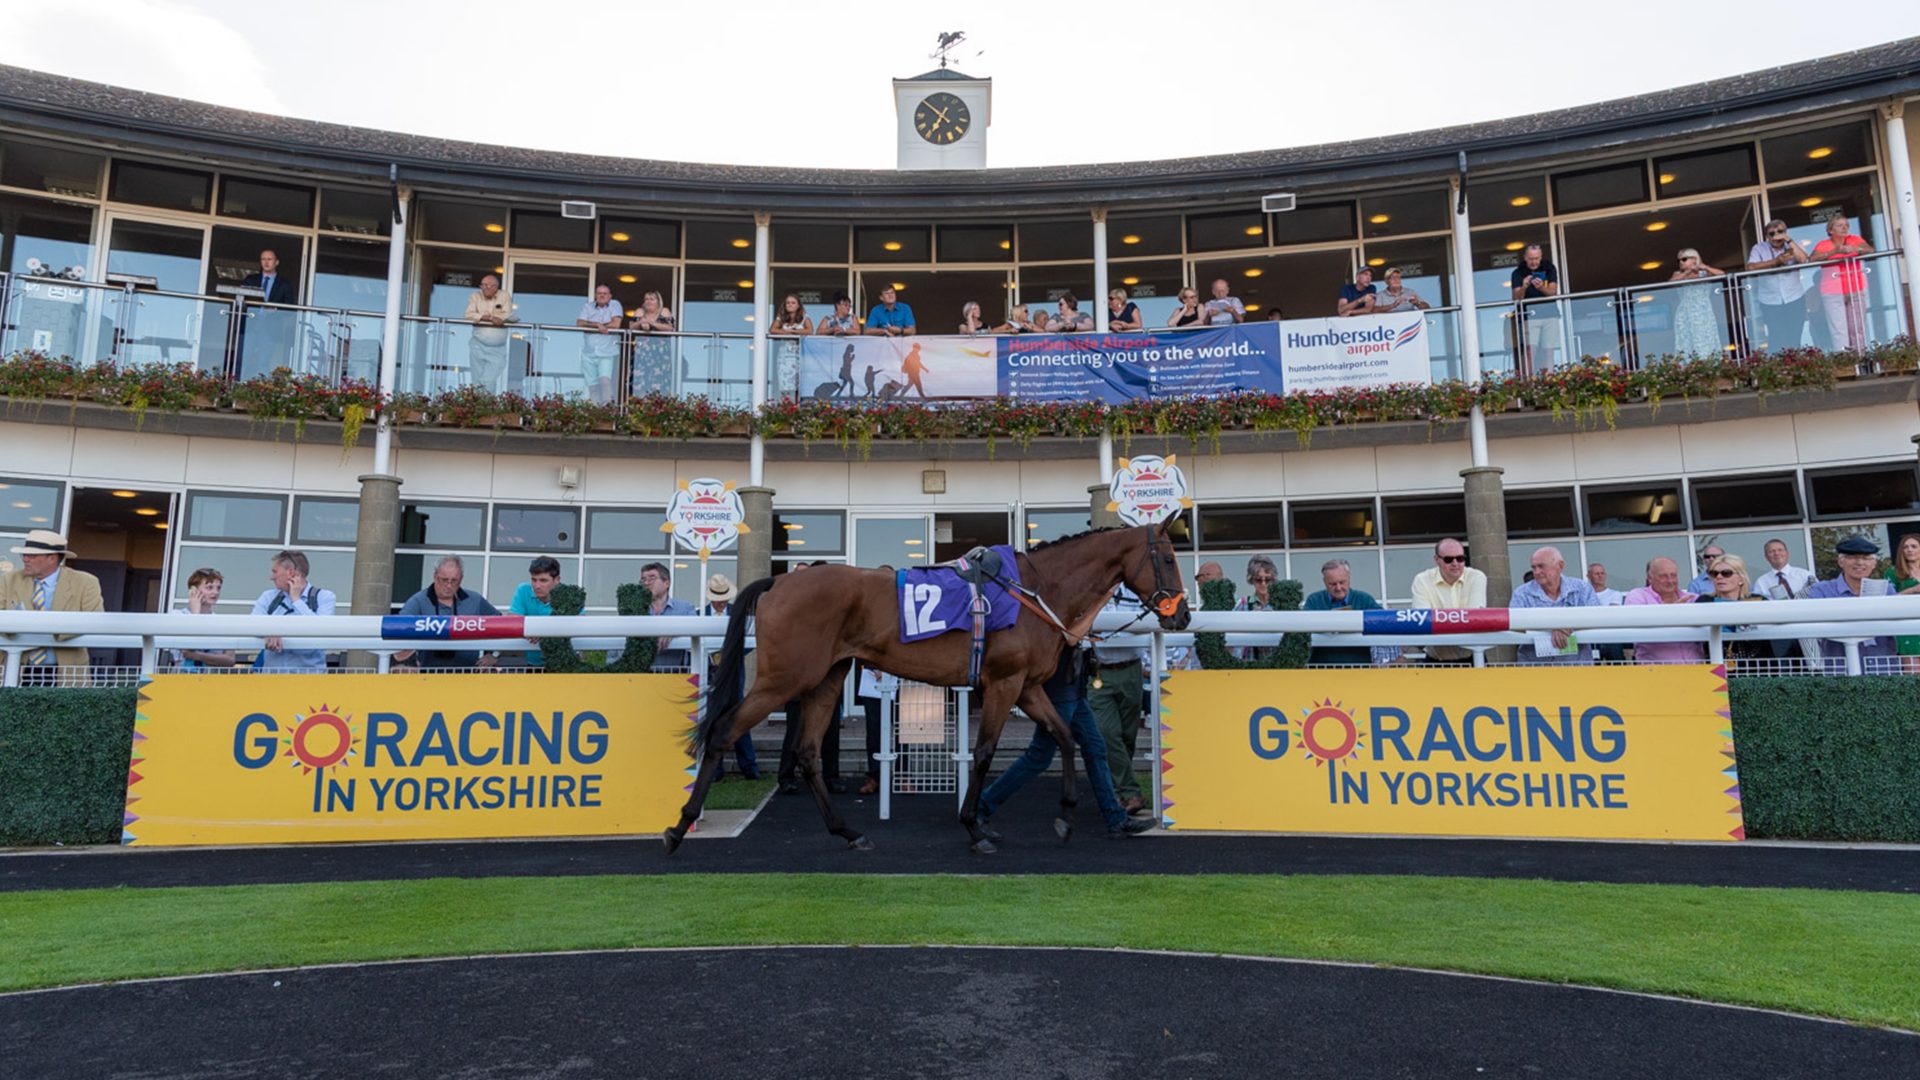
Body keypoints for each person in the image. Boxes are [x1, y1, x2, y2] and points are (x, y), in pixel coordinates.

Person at [978, 645, 1155, 839]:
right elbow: (1071, 633)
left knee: (1095, 749)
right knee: (1039, 757)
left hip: (1073, 689)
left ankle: (1115, 819)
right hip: (1059, 690)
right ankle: (982, 806)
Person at [1, 529, 105, 685]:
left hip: (66, 670)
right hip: (15, 666)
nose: (25, 559)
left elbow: (94, 620)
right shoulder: (8, 580)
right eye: (24, 555)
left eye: (32, 555)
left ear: (52, 558)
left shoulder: (86, 582)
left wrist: (40, 630)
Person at [1089, 586, 1151, 818]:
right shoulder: (1093, 589)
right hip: (1099, 672)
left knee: (1127, 735)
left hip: (1132, 669)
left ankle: (1117, 793)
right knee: (1107, 732)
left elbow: (1150, 621)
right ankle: (1131, 791)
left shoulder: (1136, 591)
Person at [392, 555, 502, 671]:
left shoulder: (475, 600)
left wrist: (494, 655)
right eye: (444, 580)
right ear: (435, 576)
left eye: (454, 581)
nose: (449, 586)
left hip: (469, 676)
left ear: (461, 579)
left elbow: (502, 625)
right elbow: (399, 632)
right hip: (429, 675)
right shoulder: (418, 601)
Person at [1803, 536, 1895, 669]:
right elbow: (1812, 622)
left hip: (1883, 668)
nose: (1859, 562)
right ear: (1840, 562)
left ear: (1874, 564)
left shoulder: (1886, 589)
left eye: (1866, 558)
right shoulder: (1822, 590)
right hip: (1840, 670)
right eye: (1852, 557)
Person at [702, 574, 759, 781]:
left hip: (733, 671)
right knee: (713, 718)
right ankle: (716, 770)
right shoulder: (701, 614)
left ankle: (749, 766)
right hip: (709, 671)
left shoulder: (739, 612)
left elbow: (750, 642)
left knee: (738, 716)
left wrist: (729, 654)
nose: (719, 601)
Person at [248, 549, 336, 673]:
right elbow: (251, 624)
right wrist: (269, 632)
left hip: (310, 682)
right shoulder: (268, 596)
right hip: (272, 682)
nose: (271, 577)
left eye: (275, 572)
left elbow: (320, 630)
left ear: (290, 573)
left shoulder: (325, 597)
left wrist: (296, 600)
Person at [1509, 545, 1597, 664]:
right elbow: (1515, 625)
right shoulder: (1522, 593)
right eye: (1533, 567)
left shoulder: (1582, 588)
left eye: (1541, 566)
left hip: (1577, 665)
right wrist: (1554, 627)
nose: (1536, 572)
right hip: (1534, 668)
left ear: (1560, 566)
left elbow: (1595, 617)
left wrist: (1568, 626)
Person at [1408, 538, 1486, 664]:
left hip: (1473, 659)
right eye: (1448, 559)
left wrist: (1439, 622)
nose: (1455, 563)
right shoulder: (1422, 580)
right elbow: (1422, 622)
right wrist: (1460, 621)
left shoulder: (1477, 577)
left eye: (1460, 558)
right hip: (1435, 661)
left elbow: (1474, 620)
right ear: (1437, 560)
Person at [1301, 558, 1387, 666]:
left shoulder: (1364, 599)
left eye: (1342, 582)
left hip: (1359, 668)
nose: (1338, 588)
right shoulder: (1313, 600)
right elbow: (1303, 631)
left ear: (1349, 578)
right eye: (1332, 584)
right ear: (1324, 582)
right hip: (1321, 669)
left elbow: (1383, 621)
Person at [1809, 214, 1874, 353]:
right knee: (1838, 329)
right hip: (1832, 291)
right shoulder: (1824, 244)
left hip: (1856, 287)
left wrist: (1856, 250)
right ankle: (1845, 362)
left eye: (1846, 225)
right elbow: (1812, 258)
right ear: (1830, 230)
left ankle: (1861, 358)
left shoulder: (1854, 240)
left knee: (1858, 327)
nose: (1845, 227)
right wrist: (1835, 251)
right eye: (1840, 225)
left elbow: (1871, 250)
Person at [1744, 218, 1812, 351]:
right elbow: (1751, 267)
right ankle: (1781, 366)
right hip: (1770, 300)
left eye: (1780, 231)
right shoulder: (1759, 248)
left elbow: (1804, 259)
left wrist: (1788, 240)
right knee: (1777, 336)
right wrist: (1776, 261)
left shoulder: (1793, 245)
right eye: (1772, 233)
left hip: (1795, 297)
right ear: (1766, 236)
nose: (1776, 236)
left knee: (1795, 334)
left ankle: (1795, 364)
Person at [1692, 554, 1771, 663]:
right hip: (1716, 664)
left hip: (1757, 666)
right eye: (1714, 574)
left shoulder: (1758, 601)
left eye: (1726, 573)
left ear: (1741, 578)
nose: (1719, 577)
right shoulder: (1704, 601)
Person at [1624, 556, 1704, 664]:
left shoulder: (1692, 598)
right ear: (1650, 578)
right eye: (1663, 576)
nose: (1670, 581)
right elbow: (1636, 623)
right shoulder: (1638, 595)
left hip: (1698, 669)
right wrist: (1673, 612)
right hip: (1655, 671)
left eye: (1673, 575)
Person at [240, 249, 297, 371]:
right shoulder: (251, 279)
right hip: (250, 324)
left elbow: (291, 307)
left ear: (276, 262)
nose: (266, 262)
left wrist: (276, 309)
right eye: (263, 259)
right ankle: (239, 387)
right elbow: (240, 299)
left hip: (270, 327)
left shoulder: (285, 284)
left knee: (263, 362)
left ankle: (261, 388)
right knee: (243, 359)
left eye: (269, 259)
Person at [1510, 244, 1560, 375]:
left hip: (1550, 314)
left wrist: (1541, 287)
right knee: (1530, 351)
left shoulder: (1549, 268)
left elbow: (1553, 292)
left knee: (1549, 351)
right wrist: (1524, 287)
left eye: (1537, 258)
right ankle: (1529, 383)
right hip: (1529, 315)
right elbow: (1516, 299)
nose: (1534, 262)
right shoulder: (1518, 273)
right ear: (1525, 258)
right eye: (1531, 258)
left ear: (1541, 257)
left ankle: (1550, 380)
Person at [172, 567, 235, 671]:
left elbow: (230, 660)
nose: (215, 592)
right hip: (182, 678)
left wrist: (197, 656)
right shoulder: (177, 615)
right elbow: (187, 648)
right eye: (209, 587)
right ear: (194, 590)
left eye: (218, 588)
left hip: (210, 680)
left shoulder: (221, 622)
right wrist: (195, 613)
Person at [1669, 249, 1726, 359]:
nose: (1680, 262)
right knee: (1686, 339)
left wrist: (1705, 267)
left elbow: (1722, 275)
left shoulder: (1704, 273)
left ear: (1694, 259)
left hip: (1703, 311)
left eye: (1684, 259)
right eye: (1679, 260)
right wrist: (1687, 272)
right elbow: (1671, 283)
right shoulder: (1679, 274)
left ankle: (1708, 364)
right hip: (1685, 312)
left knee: (1705, 337)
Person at [463, 274, 515, 391]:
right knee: (477, 380)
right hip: (478, 344)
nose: (487, 288)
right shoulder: (475, 296)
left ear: (497, 287)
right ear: (481, 286)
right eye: (484, 285)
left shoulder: (504, 295)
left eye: (491, 286)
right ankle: (477, 405)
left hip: (498, 348)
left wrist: (485, 317)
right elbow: (468, 315)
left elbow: (506, 315)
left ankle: (486, 405)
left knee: (489, 380)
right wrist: (488, 318)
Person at [640, 561, 695, 672]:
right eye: (643, 579)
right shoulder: (635, 610)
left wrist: (674, 631)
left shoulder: (685, 608)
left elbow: (697, 631)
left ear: (667, 583)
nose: (646, 583)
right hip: (641, 678)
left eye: (652, 578)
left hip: (677, 677)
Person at [508, 556, 562, 667]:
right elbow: (513, 620)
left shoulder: (570, 595)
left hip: (562, 664)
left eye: (543, 580)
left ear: (557, 580)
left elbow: (576, 626)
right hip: (532, 664)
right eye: (534, 580)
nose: (537, 586)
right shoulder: (523, 590)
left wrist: (540, 631)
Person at [575, 283, 623, 404]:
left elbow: (616, 324)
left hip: (607, 352)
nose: (602, 295)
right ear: (595, 295)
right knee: (593, 386)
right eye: (599, 293)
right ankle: (596, 413)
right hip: (588, 352)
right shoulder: (588, 306)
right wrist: (597, 325)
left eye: (605, 293)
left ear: (610, 295)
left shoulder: (615, 304)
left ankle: (608, 409)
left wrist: (591, 324)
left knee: (605, 381)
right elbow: (579, 323)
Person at [1230, 554, 1282, 659]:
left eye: (1267, 580)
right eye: (1259, 580)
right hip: (1250, 662)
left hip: (1277, 663)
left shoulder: (1281, 603)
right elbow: (1231, 635)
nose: (1263, 584)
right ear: (1252, 580)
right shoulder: (1243, 604)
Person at [629, 290, 678, 396]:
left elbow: (670, 328)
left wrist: (651, 323)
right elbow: (631, 327)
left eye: (652, 299)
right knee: (640, 383)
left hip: (659, 355)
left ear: (658, 301)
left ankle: (657, 409)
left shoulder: (664, 311)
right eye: (646, 299)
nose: (648, 302)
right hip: (642, 354)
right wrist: (641, 322)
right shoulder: (640, 312)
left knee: (659, 384)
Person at [1883, 534, 1920, 665]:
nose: (1909, 550)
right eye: (1905, 547)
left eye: (1913, 546)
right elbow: (1887, 600)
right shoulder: (1893, 572)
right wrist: (1913, 590)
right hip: (1908, 627)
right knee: (1914, 677)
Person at [769, 294, 811, 400]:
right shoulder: (781, 317)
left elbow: (809, 331)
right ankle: (786, 407)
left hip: (799, 354)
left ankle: (797, 407)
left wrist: (793, 331)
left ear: (798, 305)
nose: (790, 305)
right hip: (785, 355)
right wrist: (784, 332)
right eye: (788, 303)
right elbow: (772, 330)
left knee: (799, 383)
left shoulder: (804, 317)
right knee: (785, 384)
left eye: (793, 303)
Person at [1588, 562, 1627, 662]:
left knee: (1618, 669)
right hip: (1591, 638)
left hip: (1611, 637)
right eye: (1597, 574)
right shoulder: (1584, 595)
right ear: (1589, 576)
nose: (1600, 576)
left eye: (1602, 573)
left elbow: (1611, 615)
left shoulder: (1615, 594)